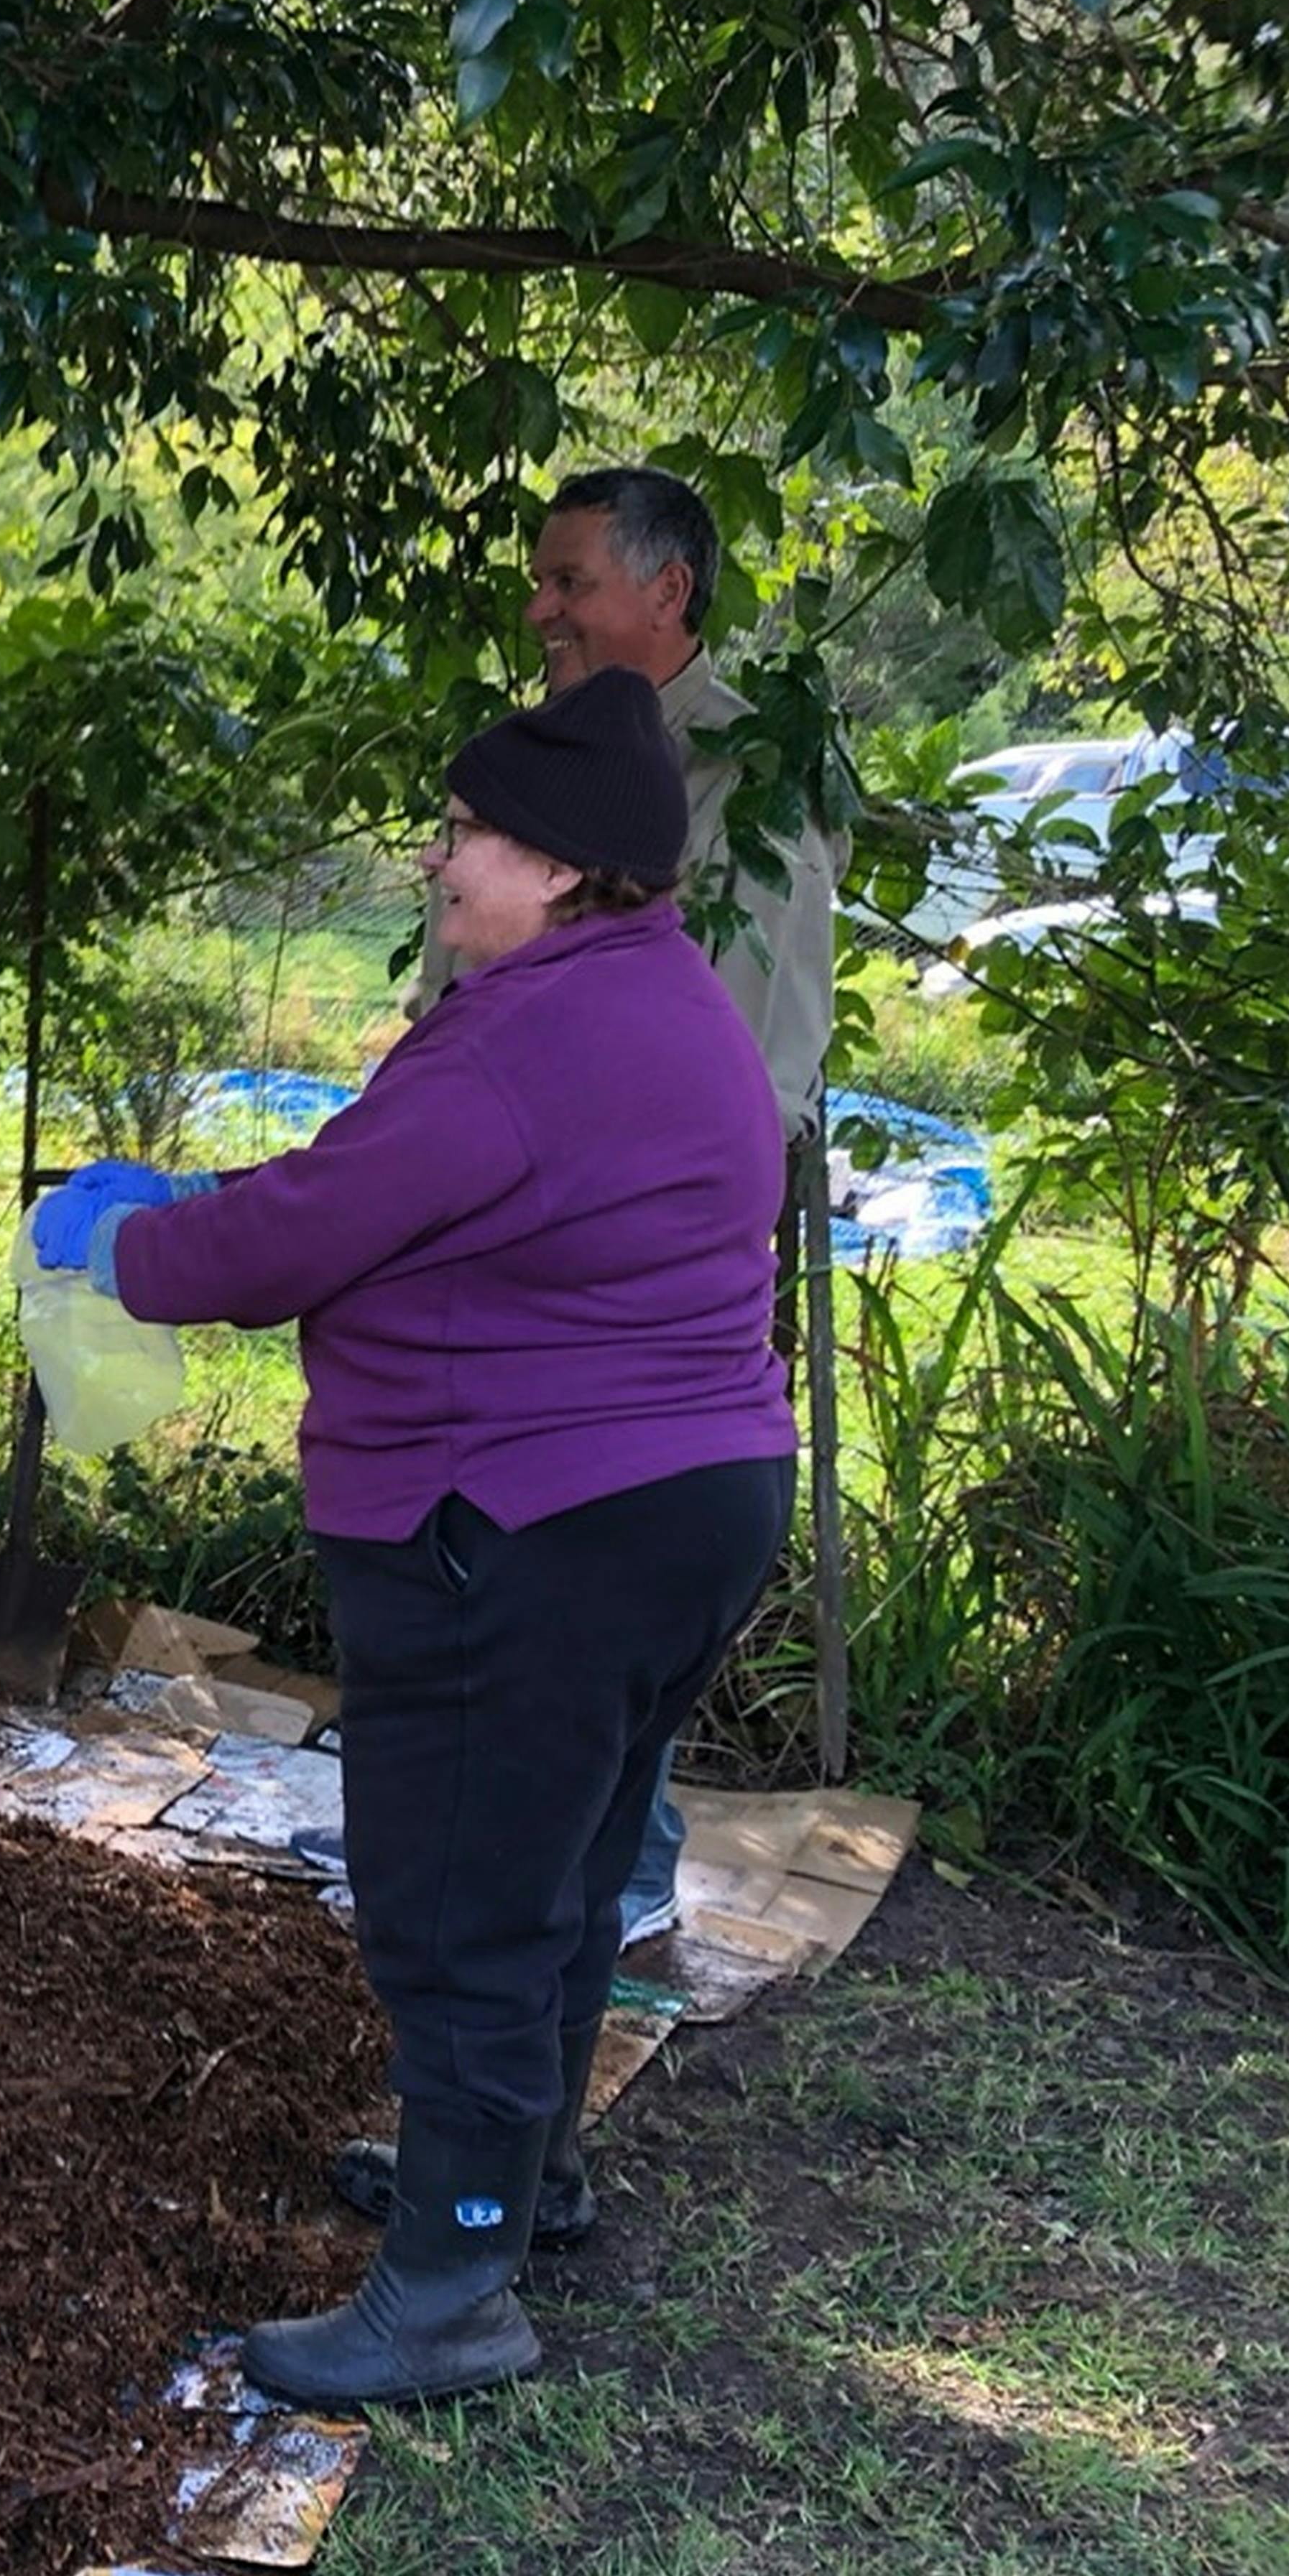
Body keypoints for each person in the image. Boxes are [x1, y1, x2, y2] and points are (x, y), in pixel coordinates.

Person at [32, 667, 795, 2409]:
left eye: (463, 832)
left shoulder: (527, 1033)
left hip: (528, 1523)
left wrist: (123, 1247)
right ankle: (518, 2181)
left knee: (459, 1899)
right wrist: (218, 1200)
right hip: (687, 1503)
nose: (440, 860)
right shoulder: (656, 998)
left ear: (558, 862)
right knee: (561, 1864)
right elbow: (404, 1184)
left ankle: (450, 2282)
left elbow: (313, 1226)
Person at [388, 463, 841, 1947]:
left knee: (593, 1538)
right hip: (490, 1216)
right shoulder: (535, 753)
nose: (540, 607)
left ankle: (599, 1878)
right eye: (542, 579)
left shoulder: (757, 774)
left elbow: (761, 1055)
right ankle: (538, 1862)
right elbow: (456, 989)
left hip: (620, 1249)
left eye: (571, 581)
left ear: (667, 592)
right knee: (501, 1543)